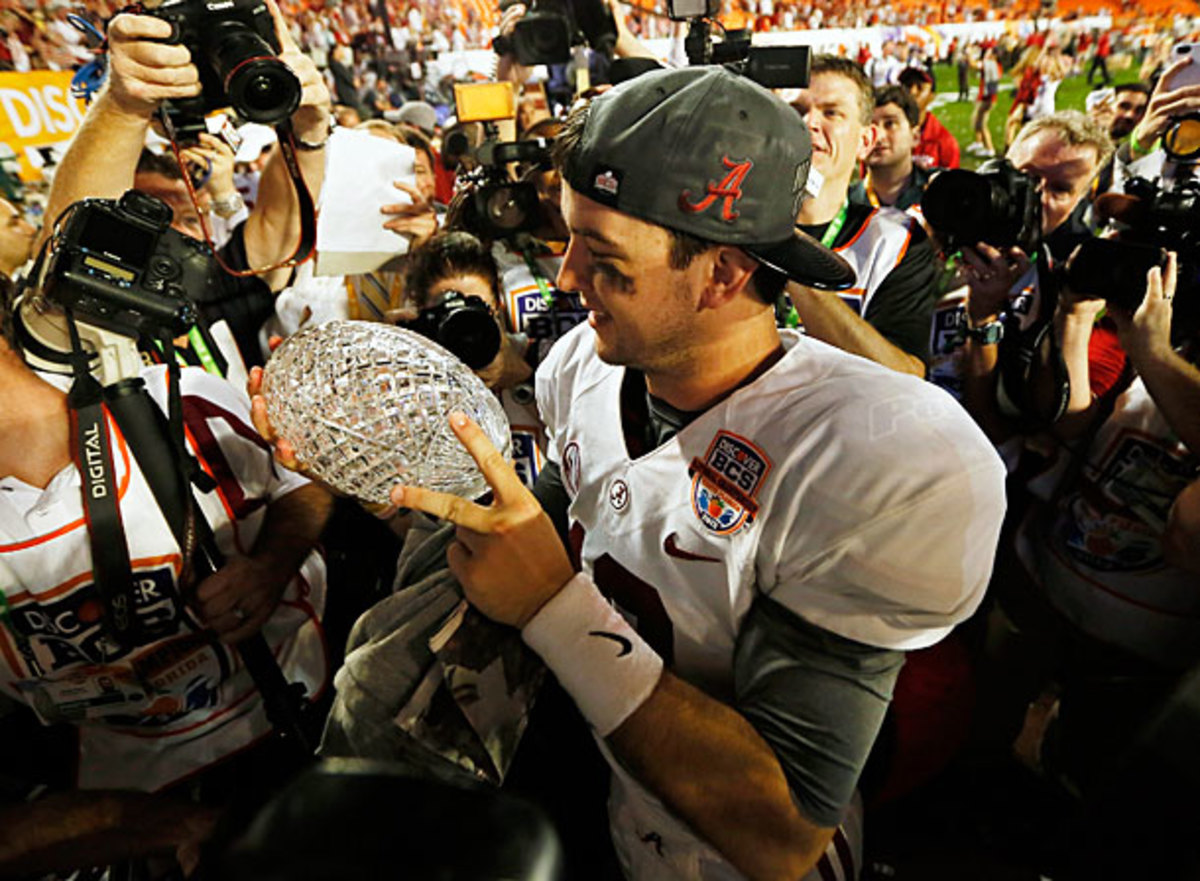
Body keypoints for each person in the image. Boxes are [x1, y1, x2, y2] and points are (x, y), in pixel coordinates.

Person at [372, 66, 1007, 881]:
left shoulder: (880, 452)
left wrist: (550, 605)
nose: (567, 278)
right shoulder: (583, 362)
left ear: (724, 273)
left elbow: (783, 833)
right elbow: (576, 513)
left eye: (605, 257)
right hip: (607, 805)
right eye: (569, 240)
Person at [0, 281, 332, 874]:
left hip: (303, 715)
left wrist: (268, 566)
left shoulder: (166, 400)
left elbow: (300, 484)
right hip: (129, 800)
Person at [40, 0, 332, 372]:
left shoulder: (216, 278)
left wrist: (308, 123)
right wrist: (124, 105)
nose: (173, 233)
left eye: (188, 217)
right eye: (152, 214)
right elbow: (66, 236)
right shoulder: (97, 310)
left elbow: (279, 224)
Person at [936, 112, 1112, 411]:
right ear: (1000, 165)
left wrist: (983, 318)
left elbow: (1041, 417)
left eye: (1060, 189)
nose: (1037, 196)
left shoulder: (1065, 286)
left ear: (1077, 204)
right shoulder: (935, 234)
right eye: (1027, 178)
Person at [787, 56, 939, 377]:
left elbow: (907, 377)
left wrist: (781, 249)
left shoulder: (895, 241)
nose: (809, 123)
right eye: (795, 111)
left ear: (865, 141)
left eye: (831, 113)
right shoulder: (723, 226)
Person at [850, 86, 937, 213]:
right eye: (869, 126)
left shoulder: (937, 192)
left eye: (890, 124)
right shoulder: (844, 204)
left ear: (915, 136)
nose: (878, 136)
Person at [899, 66, 960, 170]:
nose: (912, 92)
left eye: (920, 87)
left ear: (931, 97)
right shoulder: (884, 136)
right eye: (907, 86)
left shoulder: (945, 142)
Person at [969, 46, 1002, 158]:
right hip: (987, 98)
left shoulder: (990, 64)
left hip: (987, 99)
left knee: (982, 124)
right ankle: (980, 144)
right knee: (977, 121)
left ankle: (989, 148)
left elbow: (973, 64)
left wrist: (969, 52)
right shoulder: (995, 65)